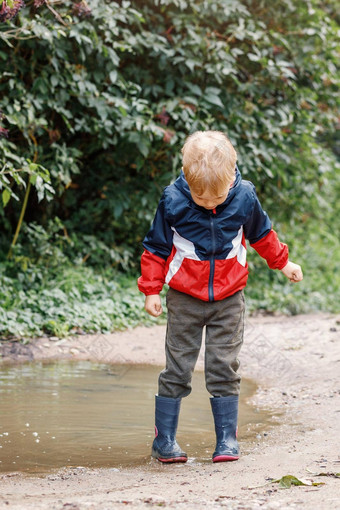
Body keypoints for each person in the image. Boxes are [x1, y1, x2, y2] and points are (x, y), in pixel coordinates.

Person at [137, 130, 303, 464]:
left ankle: (227, 440)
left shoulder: (243, 196)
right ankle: (164, 441)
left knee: (224, 366)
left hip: (229, 298)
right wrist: (151, 289)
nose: (211, 203)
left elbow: (262, 235)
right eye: (203, 199)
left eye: (217, 197)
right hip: (184, 298)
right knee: (177, 368)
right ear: (187, 179)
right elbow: (155, 247)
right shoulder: (173, 200)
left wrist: (283, 263)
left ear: (231, 177)